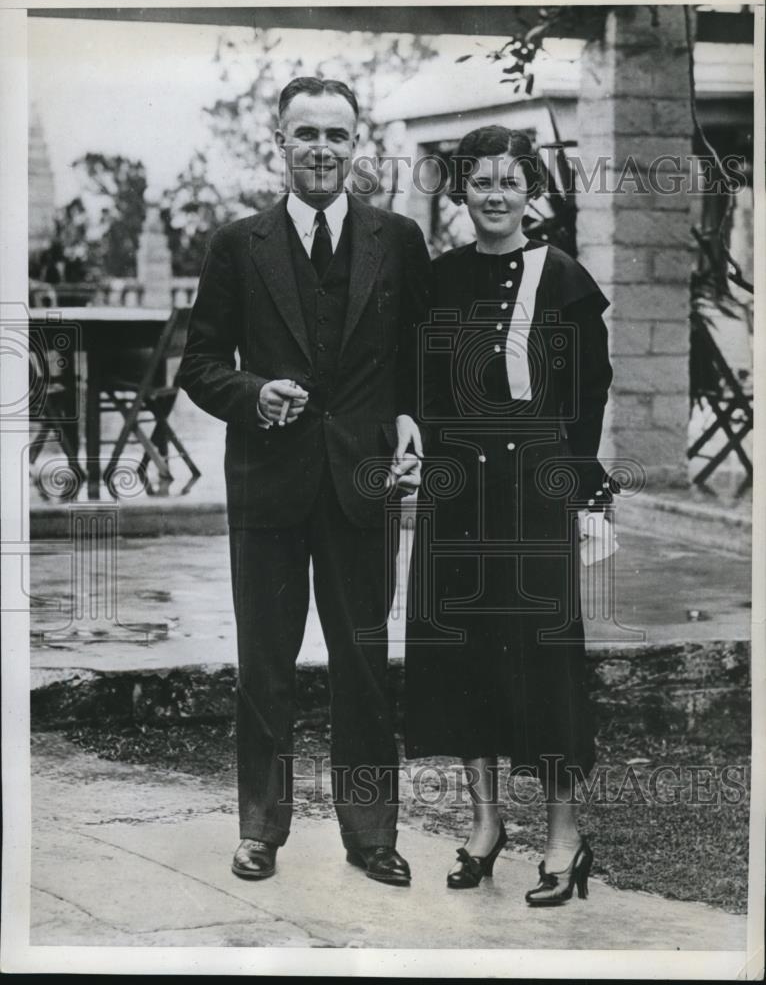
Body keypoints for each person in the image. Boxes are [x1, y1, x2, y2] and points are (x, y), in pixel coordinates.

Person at [179, 77, 430, 886]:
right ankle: (260, 829)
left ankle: (371, 834)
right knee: (266, 666)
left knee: (363, 663)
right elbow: (200, 367)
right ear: (279, 143)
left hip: (362, 485)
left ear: (357, 144)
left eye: (336, 134)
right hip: (268, 488)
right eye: (306, 133)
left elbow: (416, 359)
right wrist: (255, 396)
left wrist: (410, 421)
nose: (322, 148)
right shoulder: (235, 245)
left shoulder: (398, 240)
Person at [404, 125, 618, 904]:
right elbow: (417, 384)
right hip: (457, 489)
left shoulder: (561, 278)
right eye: (478, 182)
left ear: (530, 190)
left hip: (533, 488)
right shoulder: (438, 278)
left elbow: (588, 396)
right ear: (459, 191)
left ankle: (565, 838)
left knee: (544, 661)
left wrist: (579, 492)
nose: (493, 195)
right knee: (463, 655)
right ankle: (486, 824)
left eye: (509, 181)